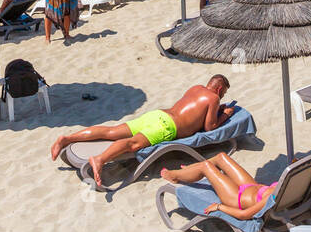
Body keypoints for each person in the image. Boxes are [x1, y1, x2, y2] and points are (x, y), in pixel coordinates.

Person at [50, 75, 234, 186]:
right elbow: (210, 127)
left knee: (110, 131)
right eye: (223, 93)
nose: (221, 95)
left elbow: (194, 110)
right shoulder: (213, 98)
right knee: (132, 144)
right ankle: (100, 159)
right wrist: (224, 114)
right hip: (167, 127)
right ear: (218, 88)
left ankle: (66, 139)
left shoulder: (196, 88)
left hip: (156, 115)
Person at [159, 152, 285, 221]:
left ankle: (175, 176)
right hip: (251, 186)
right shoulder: (289, 185)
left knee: (206, 166)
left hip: (236, 198)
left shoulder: (270, 198)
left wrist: (219, 207)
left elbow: (244, 214)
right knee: (221, 157)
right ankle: (192, 170)